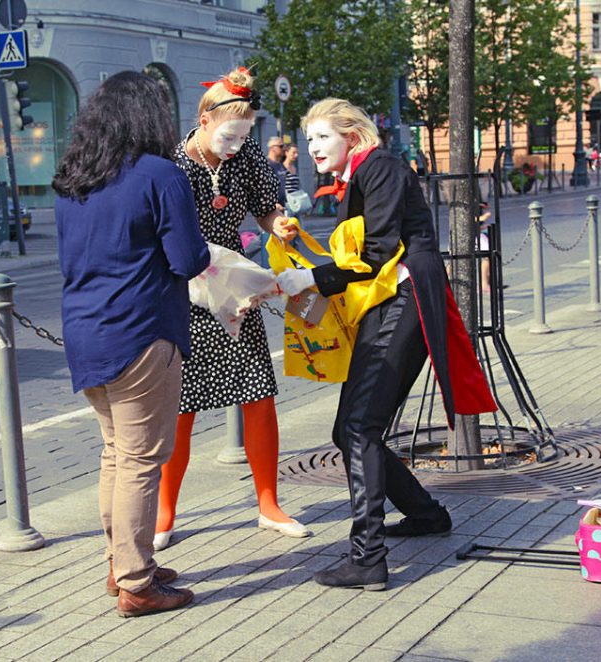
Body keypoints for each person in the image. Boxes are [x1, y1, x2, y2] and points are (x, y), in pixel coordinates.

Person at [276, 98, 497, 590]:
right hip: (396, 304)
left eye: (322, 138)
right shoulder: (364, 174)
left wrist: (308, 278)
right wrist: (302, 261)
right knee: (352, 429)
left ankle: (368, 558)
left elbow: (376, 255)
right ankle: (425, 515)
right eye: (308, 139)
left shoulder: (380, 170)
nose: (311, 148)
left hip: (404, 302)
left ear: (351, 136)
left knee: (357, 427)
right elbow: (362, 253)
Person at [52, 71, 210, 617]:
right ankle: (138, 583)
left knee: (116, 454)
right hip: (144, 331)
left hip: (85, 333)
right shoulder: (160, 174)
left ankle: (120, 561)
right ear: (152, 116)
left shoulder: (74, 179)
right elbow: (189, 260)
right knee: (142, 460)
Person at [153, 66, 310, 551]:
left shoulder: (247, 160)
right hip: (186, 288)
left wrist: (279, 223)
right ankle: (164, 511)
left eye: (245, 135)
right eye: (229, 134)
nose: (237, 143)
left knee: (258, 393)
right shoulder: (174, 162)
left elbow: (267, 208)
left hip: (232, 288)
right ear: (203, 120)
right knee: (180, 407)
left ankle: (268, 502)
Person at [266, 135, 288, 210]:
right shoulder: (266, 164)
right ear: (272, 148)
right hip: (273, 208)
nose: (284, 149)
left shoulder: (280, 164)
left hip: (284, 205)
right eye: (281, 146)